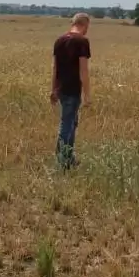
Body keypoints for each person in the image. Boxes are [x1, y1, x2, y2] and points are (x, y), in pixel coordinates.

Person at [50, 12, 91, 169]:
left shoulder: (59, 40)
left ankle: (69, 157)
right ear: (84, 24)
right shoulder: (82, 41)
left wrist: (53, 89)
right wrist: (87, 95)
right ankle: (62, 160)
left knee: (72, 122)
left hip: (61, 88)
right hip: (73, 89)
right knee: (67, 123)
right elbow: (83, 71)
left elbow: (55, 68)